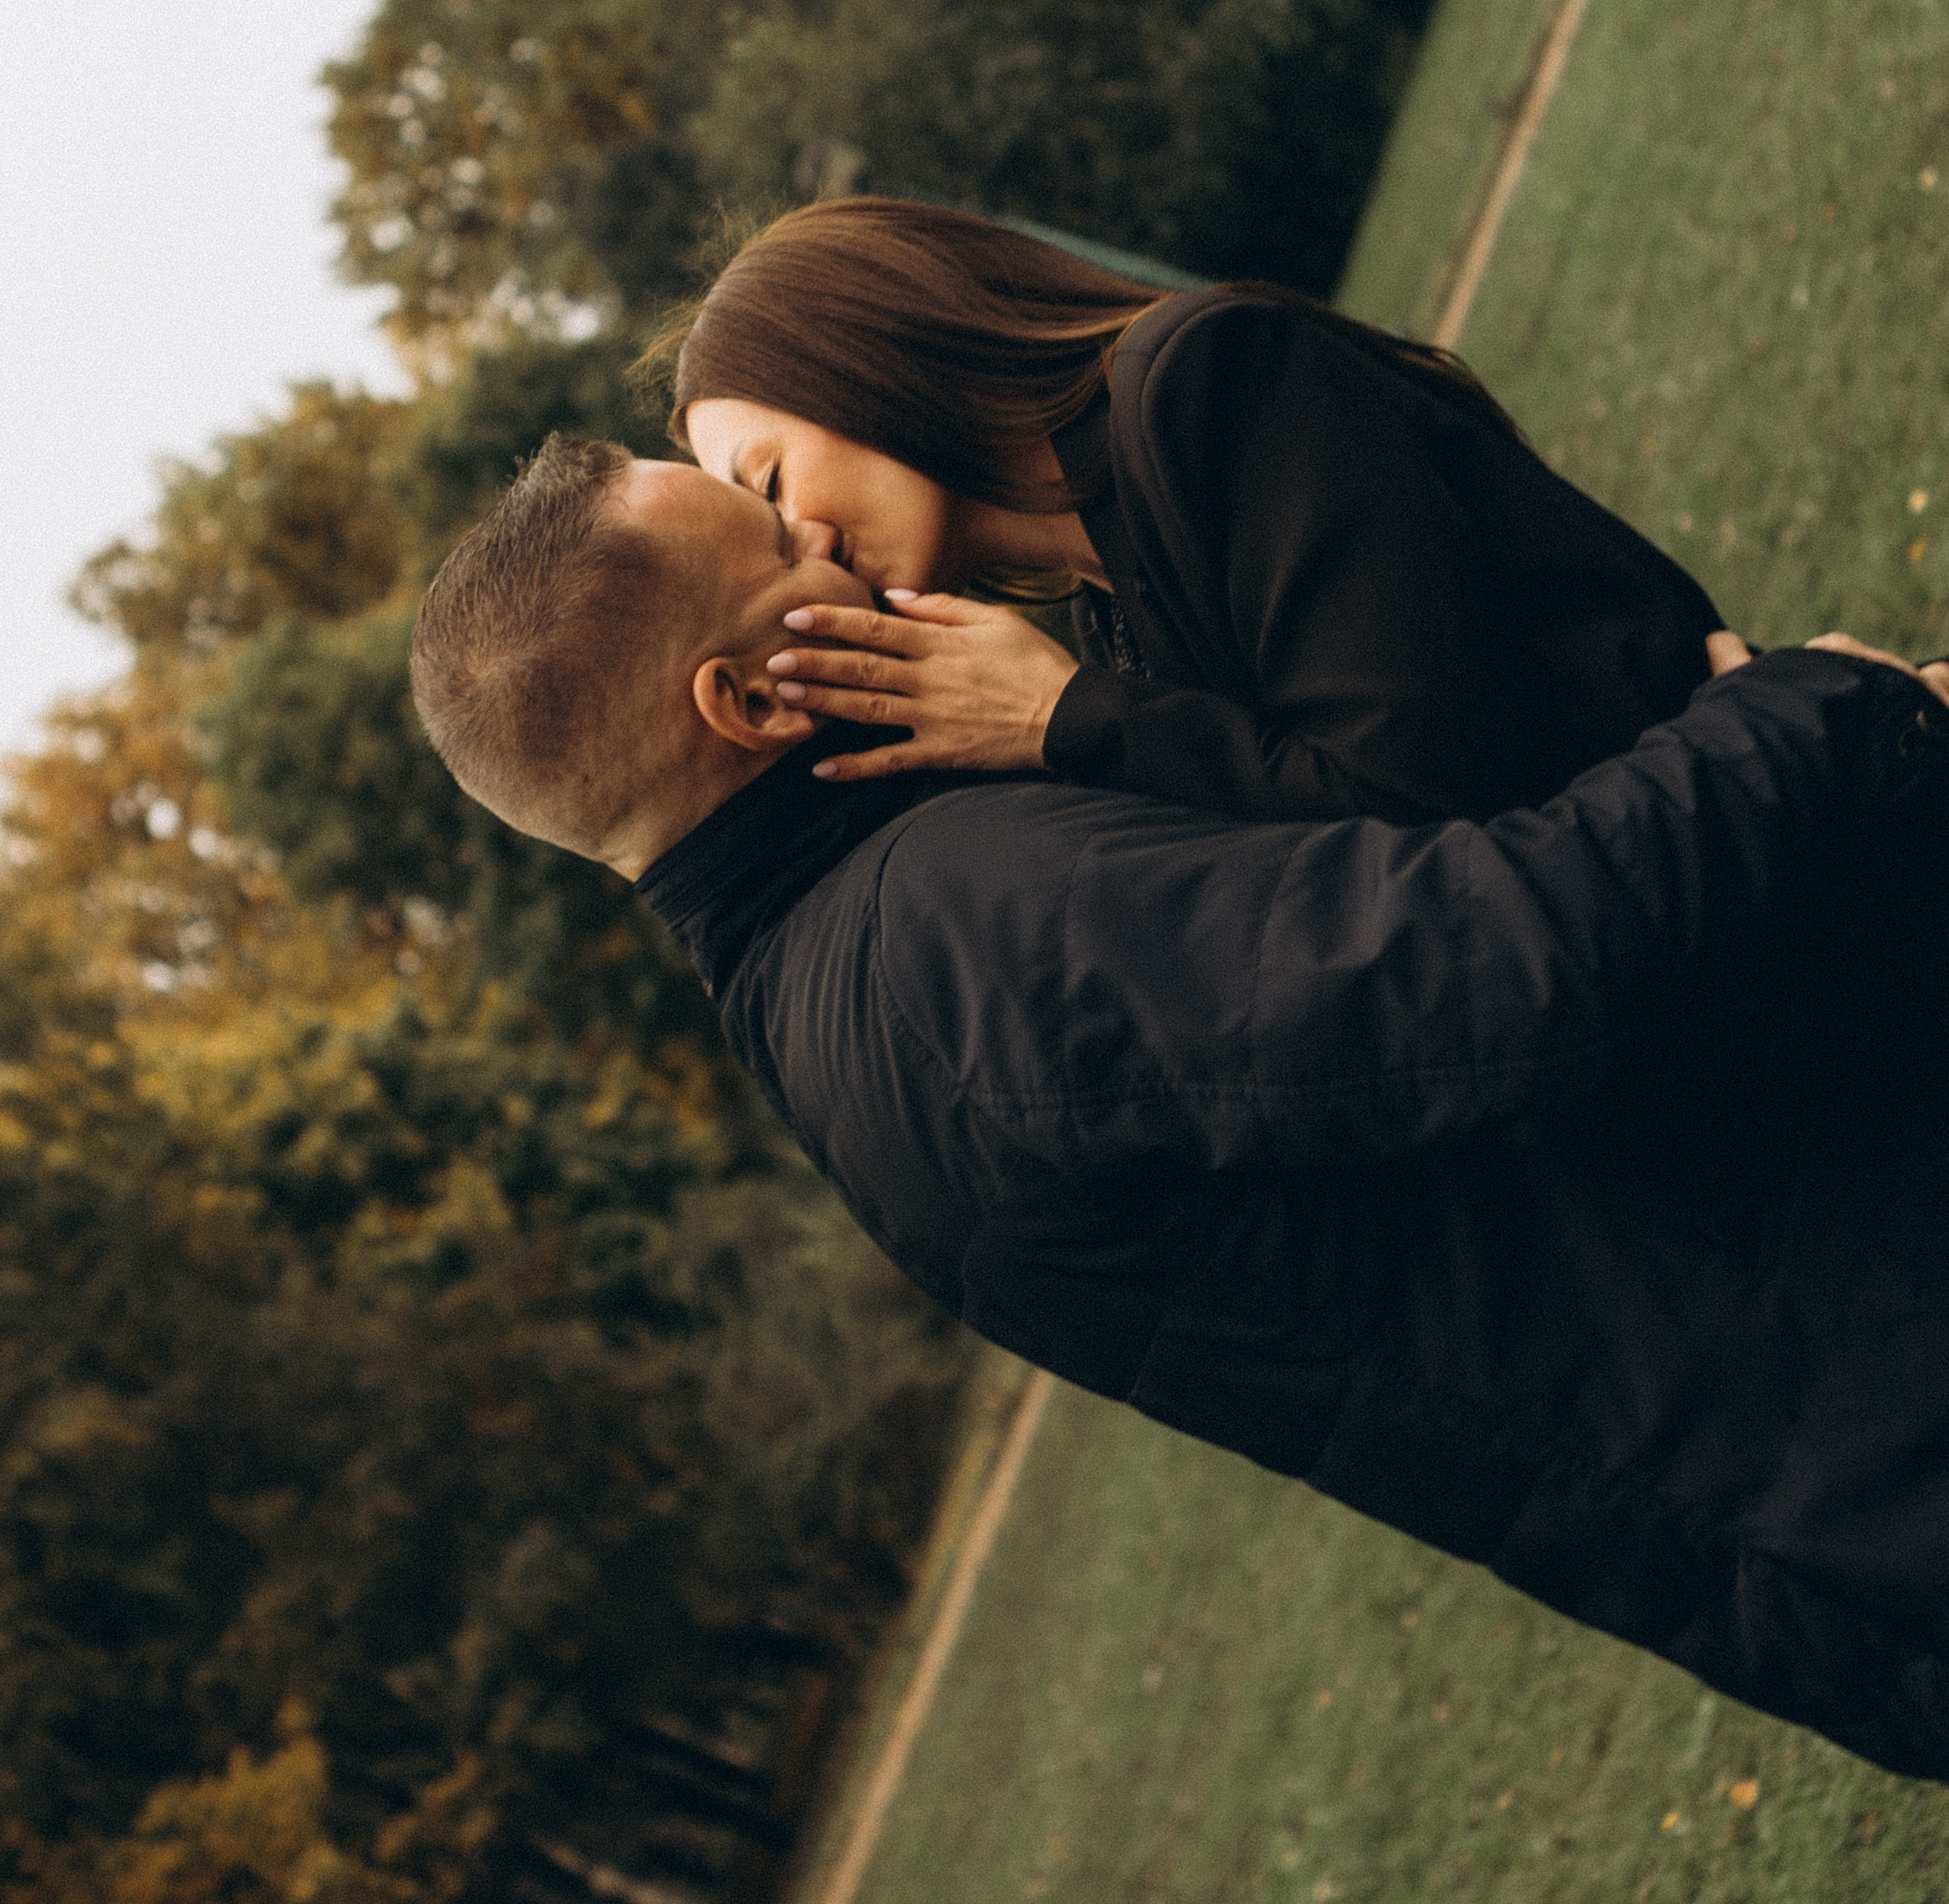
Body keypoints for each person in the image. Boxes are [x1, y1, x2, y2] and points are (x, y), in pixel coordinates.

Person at [411, 431, 1949, 1779]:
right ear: (746, 697)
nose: (813, 534)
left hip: (1814, 1489)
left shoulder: (829, 1000)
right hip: (1864, 1435)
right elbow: (1489, 969)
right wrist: (1800, 710)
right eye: (767, 547)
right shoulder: (954, 931)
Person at [660, 199, 1722, 822]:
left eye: (768, 486)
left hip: (1760, 809)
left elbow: (1428, 790)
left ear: (862, 359)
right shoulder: (1108, 615)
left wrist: (1065, 722)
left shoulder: (1204, 383)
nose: (805, 549)